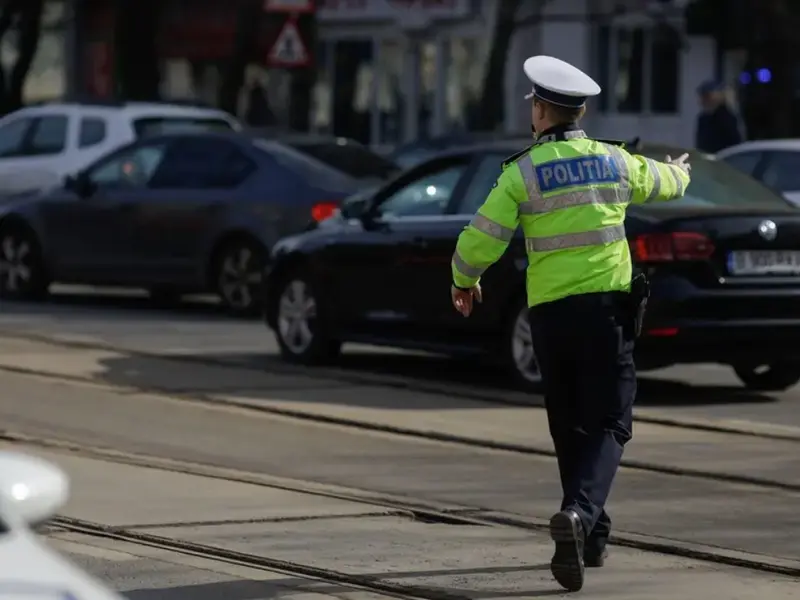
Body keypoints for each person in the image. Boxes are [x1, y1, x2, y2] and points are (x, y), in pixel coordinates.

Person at [450, 55, 691, 592]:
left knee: (569, 424)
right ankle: (580, 515)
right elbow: (666, 182)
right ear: (579, 111)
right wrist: (682, 170)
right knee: (611, 422)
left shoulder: (522, 172)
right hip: (607, 312)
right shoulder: (615, 162)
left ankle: (590, 535)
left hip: (551, 317)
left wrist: (463, 281)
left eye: (532, 105)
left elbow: (480, 236)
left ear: (541, 112)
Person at [695, 80, 743, 153]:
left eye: (707, 96)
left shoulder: (727, 118)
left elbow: (734, 144)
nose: (703, 100)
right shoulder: (703, 119)